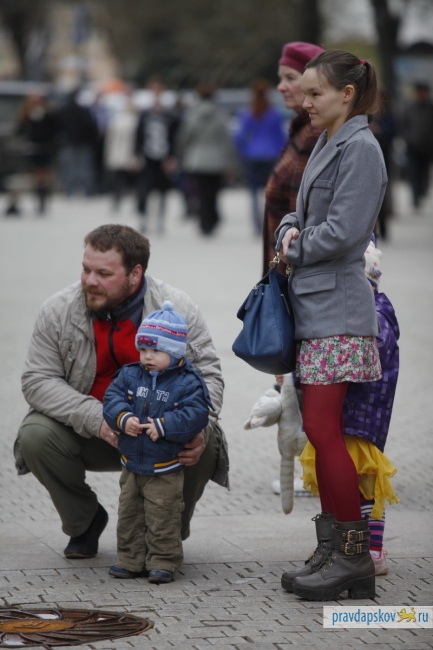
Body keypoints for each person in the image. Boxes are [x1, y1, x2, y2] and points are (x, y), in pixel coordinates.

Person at [15, 224, 228, 560]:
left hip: (162, 437)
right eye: (86, 269)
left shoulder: (179, 309)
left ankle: (164, 534)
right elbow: (37, 380)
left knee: (208, 439)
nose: (90, 280)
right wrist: (96, 418)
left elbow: (210, 377)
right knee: (35, 435)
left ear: (134, 273)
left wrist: (199, 428)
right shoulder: (57, 310)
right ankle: (84, 521)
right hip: (93, 431)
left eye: (103, 273)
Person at [276, 50, 387, 601]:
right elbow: (300, 215)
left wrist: (293, 249)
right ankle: (334, 550)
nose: (306, 101)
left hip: (339, 311)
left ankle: (353, 557)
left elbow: (344, 233)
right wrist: (287, 232)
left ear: (347, 93)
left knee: (324, 432)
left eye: (316, 92)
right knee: (320, 435)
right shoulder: (328, 140)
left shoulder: (361, 148)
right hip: (317, 308)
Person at [281, 240, 399, 588]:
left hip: (361, 421)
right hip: (340, 404)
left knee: (365, 486)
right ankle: (334, 549)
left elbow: (378, 349)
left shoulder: (370, 311)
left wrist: (294, 249)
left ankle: (360, 554)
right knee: (325, 448)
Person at [103, 301, 213, 583]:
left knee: (163, 514)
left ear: (175, 352)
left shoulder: (188, 382)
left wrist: (164, 426)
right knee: (129, 514)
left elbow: (196, 414)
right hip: (131, 464)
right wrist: (123, 418)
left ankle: (163, 561)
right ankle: (130, 559)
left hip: (165, 467)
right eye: (143, 350)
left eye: (156, 351)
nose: (147, 357)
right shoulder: (130, 375)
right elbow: (112, 398)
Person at [262, 41, 324, 277]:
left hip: (294, 274)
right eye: (280, 78)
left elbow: (306, 219)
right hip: (286, 271)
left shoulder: (316, 135)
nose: (280, 87)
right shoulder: (302, 130)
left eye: (290, 77)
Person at [176, 85, 235, 236]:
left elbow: (184, 137)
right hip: (217, 159)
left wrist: (181, 155)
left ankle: (204, 223)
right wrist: (231, 162)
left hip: (197, 159)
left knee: (201, 193)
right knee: (214, 192)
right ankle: (213, 218)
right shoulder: (220, 115)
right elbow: (226, 140)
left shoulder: (193, 115)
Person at [234, 80, 286, 236]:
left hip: (253, 155)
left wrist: (244, 151)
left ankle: (257, 226)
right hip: (272, 155)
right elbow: (281, 137)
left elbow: (240, 136)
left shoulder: (247, 112)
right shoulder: (275, 113)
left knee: (253, 193)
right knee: (272, 192)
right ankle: (272, 223)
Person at [134, 78, 179, 233]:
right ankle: (144, 219)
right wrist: (137, 155)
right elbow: (138, 136)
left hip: (163, 157)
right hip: (148, 156)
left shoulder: (169, 116)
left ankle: (160, 220)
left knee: (162, 190)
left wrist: (172, 157)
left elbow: (174, 137)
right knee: (144, 189)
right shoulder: (145, 114)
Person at [17, 93, 58, 214]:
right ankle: (38, 200)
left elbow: (54, 130)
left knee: (44, 175)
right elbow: (19, 130)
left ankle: (44, 200)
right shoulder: (26, 115)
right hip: (32, 149)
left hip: (45, 148)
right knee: (35, 175)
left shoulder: (48, 115)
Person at [57, 89, 98, 196]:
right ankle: (87, 190)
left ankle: (70, 190)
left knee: (70, 168)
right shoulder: (83, 110)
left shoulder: (63, 110)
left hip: (69, 142)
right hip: (82, 142)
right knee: (84, 167)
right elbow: (91, 127)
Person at [401, 82, 433, 209]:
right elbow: (403, 126)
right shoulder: (410, 108)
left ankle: (422, 192)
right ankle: (415, 196)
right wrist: (408, 138)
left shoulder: (430, 108)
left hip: (428, 147)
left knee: (424, 172)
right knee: (413, 173)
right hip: (412, 147)